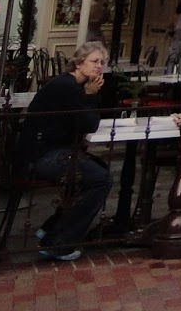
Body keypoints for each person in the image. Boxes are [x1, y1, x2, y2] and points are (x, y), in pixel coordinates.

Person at [18, 40, 111, 262]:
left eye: (102, 62)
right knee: (100, 179)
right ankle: (61, 242)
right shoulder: (67, 87)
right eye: (94, 61)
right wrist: (90, 96)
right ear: (79, 63)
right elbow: (89, 123)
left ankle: (53, 228)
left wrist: (89, 95)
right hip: (41, 155)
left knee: (97, 170)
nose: (99, 66)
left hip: (53, 150)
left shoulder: (75, 87)